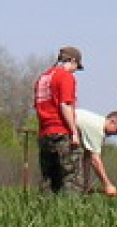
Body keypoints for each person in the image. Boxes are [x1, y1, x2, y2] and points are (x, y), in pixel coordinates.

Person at [33, 46, 83, 194]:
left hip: (45, 134)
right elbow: (65, 105)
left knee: (48, 179)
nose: (75, 70)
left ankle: (45, 213)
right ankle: (70, 213)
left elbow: (38, 106)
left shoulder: (42, 78)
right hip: (62, 132)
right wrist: (74, 132)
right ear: (72, 60)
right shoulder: (65, 77)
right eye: (76, 66)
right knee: (71, 177)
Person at [75, 109, 117, 196]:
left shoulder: (96, 122)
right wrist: (107, 185)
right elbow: (95, 160)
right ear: (112, 122)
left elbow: (89, 155)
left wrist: (85, 184)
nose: (116, 134)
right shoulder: (97, 128)